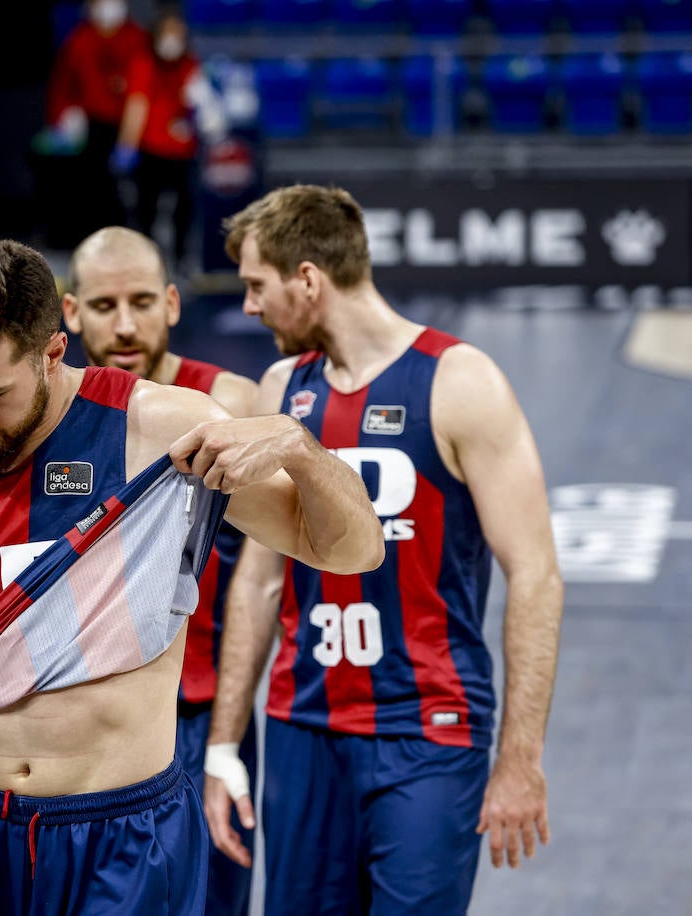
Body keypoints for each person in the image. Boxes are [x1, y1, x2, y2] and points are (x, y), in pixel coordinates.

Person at [0, 237, 384, 914]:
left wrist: (302, 451)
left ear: (54, 352)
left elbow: (353, 550)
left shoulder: (160, 426)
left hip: (126, 832)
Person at [203, 184, 564, 915]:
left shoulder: (460, 382)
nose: (247, 307)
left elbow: (535, 576)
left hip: (428, 729)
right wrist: (222, 749)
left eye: (256, 286)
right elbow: (259, 583)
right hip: (304, 727)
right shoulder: (283, 387)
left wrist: (520, 760)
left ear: (308, 280)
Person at [60, 224, 257, 915]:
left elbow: (264, 584)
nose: (124, 324)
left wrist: (228, 741)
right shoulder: (51, 415)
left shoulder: (228, 404)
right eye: (104, 306)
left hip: (197, 713)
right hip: (82, 719)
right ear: (70, 311)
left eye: (142, 302)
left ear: (173, 304)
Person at [109, 5, 227, 273]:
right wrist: (126, 145)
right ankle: (148, 263)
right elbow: (136, 107)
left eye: (178, 33)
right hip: (151, 151)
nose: (172, 39)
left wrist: (206, 121)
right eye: (168, 33)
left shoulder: (190, 66)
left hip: (183, 153)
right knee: (146, 210)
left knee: (184, 210)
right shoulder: (143, 64)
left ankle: (182, 261)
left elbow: (203, 106)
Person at [40, 0, 150, 238]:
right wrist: (63, 116)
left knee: (134, 191)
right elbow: (63, 83)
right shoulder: (80, 40)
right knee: (91, 187)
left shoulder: (138, 39)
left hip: (133, 126)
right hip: (92, 126)